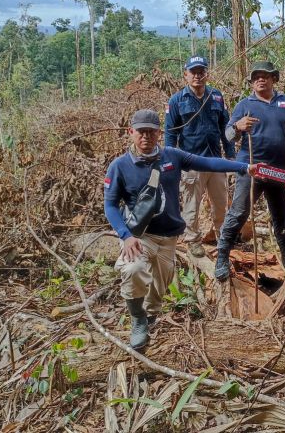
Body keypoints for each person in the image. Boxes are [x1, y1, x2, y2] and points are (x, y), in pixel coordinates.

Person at [104, 108, 259, 350]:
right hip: (138, 236)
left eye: (151, 132)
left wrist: (241, 167)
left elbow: (206, 162)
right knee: (133, 269)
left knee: (159, 288)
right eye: (141, 132)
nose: (146, 137)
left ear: (159, 133)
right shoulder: (120, 166)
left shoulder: (172, 157)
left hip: (168, 237)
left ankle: (150, 318)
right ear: (131, 132)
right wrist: (125, 236)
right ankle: (137, 321)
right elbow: (111, 205)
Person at [214, 61, 285, 281]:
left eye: (265, 76)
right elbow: (227, 135)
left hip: (278, 172)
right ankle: (222, 257)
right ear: (251, 82)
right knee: (239, 213)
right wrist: (238, 126)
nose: (260, 79)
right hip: (251, 168)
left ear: (274, 79)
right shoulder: (245, 105)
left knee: (281, 218)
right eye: (256, 77)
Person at [164, 56, 234, 258]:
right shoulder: (177, 100)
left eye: (201, 71)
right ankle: (193, 241)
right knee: (191, 206)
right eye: (193, 72)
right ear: (185, 75)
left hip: (216, 162)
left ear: (206, 74)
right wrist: (171, 160)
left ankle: (223, 238)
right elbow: (170, 133)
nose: (197, 76)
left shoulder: (217, 97)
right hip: (190, 163)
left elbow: (225, 128)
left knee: (221, 204)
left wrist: (230, 155)